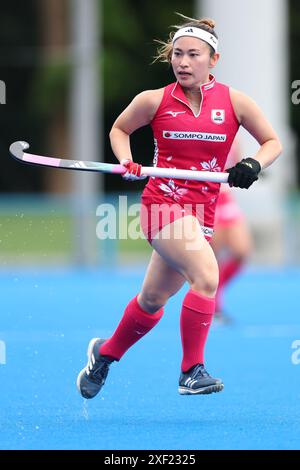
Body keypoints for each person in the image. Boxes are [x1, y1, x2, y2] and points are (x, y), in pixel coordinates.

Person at [77, 14, 282, 398]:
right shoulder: (153, 100)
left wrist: (253, 164)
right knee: (206, 275)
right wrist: (126, 161)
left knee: (153, 300)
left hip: (201, 209)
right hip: (161, 205)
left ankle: (104, 354)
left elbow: (272, 142)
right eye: (177, 55)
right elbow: (120, 130)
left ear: (213, 60)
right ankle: (191, 369)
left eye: (193, 55)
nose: (183, 62)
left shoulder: (235, 102)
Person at [210, 138, 253, 324]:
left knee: (241, 251)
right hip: (206, 196)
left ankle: (215, 295)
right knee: (211, 258)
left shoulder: (233, 134)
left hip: (226, 197)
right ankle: (210, 306)